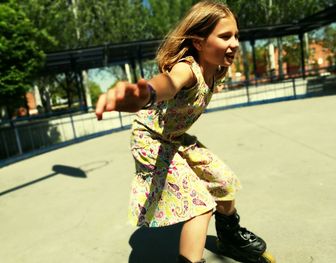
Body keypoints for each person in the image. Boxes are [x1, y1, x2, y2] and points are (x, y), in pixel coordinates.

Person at [95, 1, 274, 263]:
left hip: (177, 139)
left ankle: (230, 238)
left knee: (223, 182)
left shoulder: (217, 69)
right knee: (199, 205)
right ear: (199, 42)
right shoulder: (187, 68)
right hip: (151, 139)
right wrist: (146, 93)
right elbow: (168, 83)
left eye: (236, 35)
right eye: (225, 36)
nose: (234, 43)